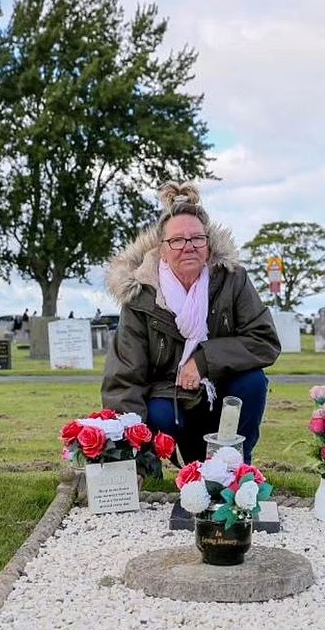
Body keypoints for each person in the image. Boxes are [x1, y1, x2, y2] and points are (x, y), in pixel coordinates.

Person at [102, 181, 280, 464]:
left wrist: (204, 359)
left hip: (221, 389)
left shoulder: (232, 280)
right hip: (172, 401)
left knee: (253, 382)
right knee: (159, 412)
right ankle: (195, 466)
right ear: (162, 249)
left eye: (197, 238)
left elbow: (264, 341)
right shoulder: (141, 296)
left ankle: (237, 465)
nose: (188, 247)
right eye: (177, 240)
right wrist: (133, 459)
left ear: (208, 245)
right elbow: (125, 379)